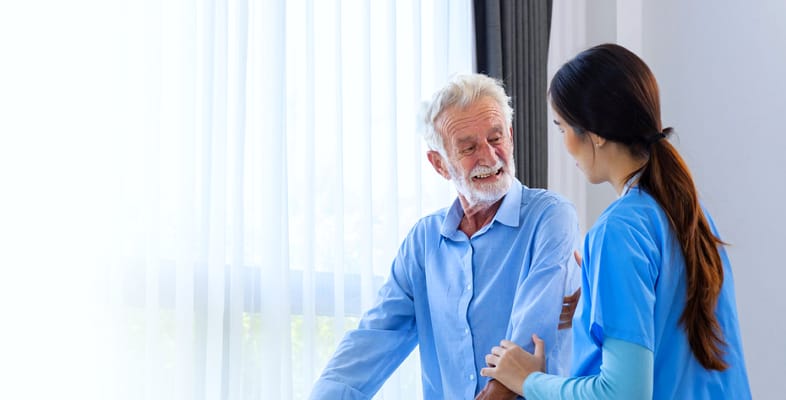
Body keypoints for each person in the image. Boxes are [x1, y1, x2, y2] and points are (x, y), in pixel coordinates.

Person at [480, 43, 752, 399]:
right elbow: (676, 328)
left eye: (562, 128)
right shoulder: (689, 211)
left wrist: (527, 381)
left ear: (597, 134)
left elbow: (623, 393)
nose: (565, 144)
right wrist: (596, 306)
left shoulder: (618, 231)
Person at [308, 73, 581, 399]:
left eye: (496, 139)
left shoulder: (550, 217)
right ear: (439, 164)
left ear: (510, 136)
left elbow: (529, 336)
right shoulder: (424, 242)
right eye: (468, 147)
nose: (489, 156)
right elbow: (374, 338)